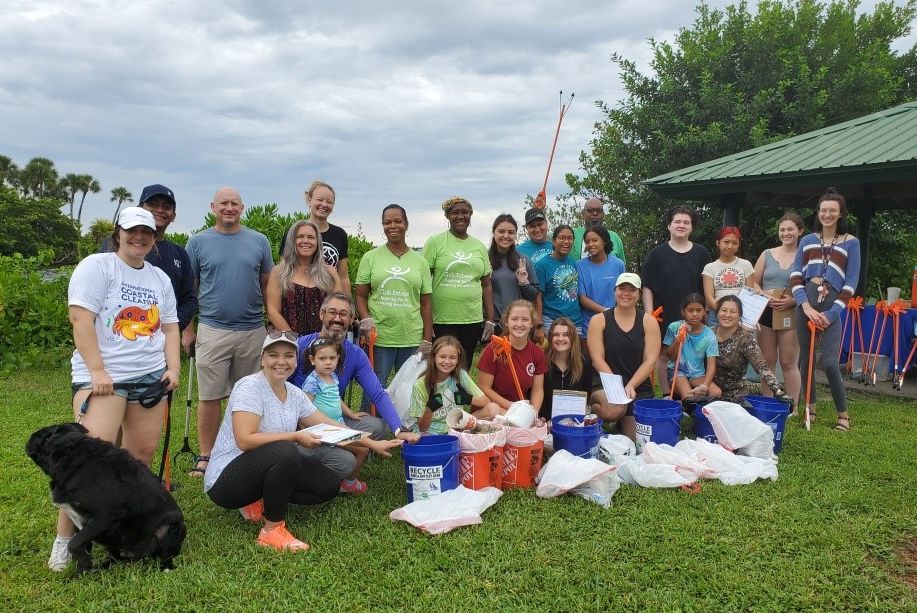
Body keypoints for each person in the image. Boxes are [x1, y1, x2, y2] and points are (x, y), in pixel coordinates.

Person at [49, 207, 181, 571]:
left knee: (139, 460)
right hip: (105, 380)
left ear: (156, 238)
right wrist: (97, 371)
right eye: (132, 231)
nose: (140, 237)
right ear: (118, 232)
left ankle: (121, 533)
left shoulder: (159, 278)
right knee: (85, 466)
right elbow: (81, 319)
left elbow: (169, 328)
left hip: (150, 378)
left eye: (147, 232)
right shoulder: (97, 266)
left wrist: (173, 368)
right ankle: (65, 542)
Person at [204, 332, 401, 552]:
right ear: (262, 359)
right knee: (286, 451)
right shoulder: (250, 387)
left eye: (288, 355)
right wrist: (295, 436)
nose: (281, 362)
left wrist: (372, 444)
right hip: (226, 481)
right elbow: (245, 440)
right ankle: (272, 531)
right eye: (273, 355)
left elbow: (330, 425)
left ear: (296, 361)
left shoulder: (295, 394)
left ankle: (259, 500)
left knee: (328, 485)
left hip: (266, 465)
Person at [183, 187, 274, 477]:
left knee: (249, 395)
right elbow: (189, 290)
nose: (229, 208)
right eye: (224, 203)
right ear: (213, 207)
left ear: (242, 207)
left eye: (235, 203)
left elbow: (267, 284)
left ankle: (241, 449)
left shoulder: (259, 241)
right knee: (209, 396)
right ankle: (206, 455)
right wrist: (188, 329)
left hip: (253, 330)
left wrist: (270, 321)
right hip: (212, 329)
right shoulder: (197, 242)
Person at [291, 293, 421, 447]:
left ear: (352, 319)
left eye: (343, 314)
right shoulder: (301, 346)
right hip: (300, 420)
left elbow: (377, 393)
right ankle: (336, 452)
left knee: (378, 427)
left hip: (334, 418)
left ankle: (341, 446)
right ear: (321, 314)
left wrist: (399, 429)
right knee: (345, 462)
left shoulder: (355, 354)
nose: (337, 319)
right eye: (332, 312)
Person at [791, 188, 861, 431]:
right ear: (818, 213)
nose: (827, 215)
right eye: (823, 210)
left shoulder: (852, 242)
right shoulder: (808, 240)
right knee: (806, 359)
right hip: (806, 302)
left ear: (841, 213)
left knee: (830, 362)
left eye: (832, 210)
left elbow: (851, 282)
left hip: (832, 304)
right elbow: (795, 276)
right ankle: (809, 408)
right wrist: (806, 306)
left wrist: (831, 314)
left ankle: (843, 415)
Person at [355, 204, 433, 390]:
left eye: (398, 221)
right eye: (387, 222)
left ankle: (402, 421)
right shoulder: (370, 257)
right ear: (382, 226)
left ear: (406, 224)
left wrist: (427, 338)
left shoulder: (420, 262)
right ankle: (372, 420)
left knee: (408, 389)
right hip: (380, 337)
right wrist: (366, 318)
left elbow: (426, 304)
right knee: (374, 388)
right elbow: (360, 296)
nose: (393, 226)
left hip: (411, 336)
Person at [100, 184, 197, 332]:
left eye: (166, 207)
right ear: (139, 208)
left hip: (160, 341)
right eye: (152, 204)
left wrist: (170, 329)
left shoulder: (179, 253)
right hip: (118, 335)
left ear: (173, 216)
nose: (159, 210)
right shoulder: (112, 245)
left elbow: (189, 300)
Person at [642, 205, 712, 393]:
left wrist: (704, 312)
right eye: (677, 221)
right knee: (664, 354)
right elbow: (647, 285)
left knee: (695, 352)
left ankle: (691, 393)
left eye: (686, 222)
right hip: (665, 312)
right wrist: (649, 314)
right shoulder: (657, 253)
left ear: (692, 227)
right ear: (669, 225)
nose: (681, 225)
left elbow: (707, 286)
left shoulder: (702, 253)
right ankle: (667, 394)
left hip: (695, 313)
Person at [587, 273, 660, 440]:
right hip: (606, 383)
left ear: (639, 294)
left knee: (637, 441)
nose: (626, 293)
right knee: (613, 409)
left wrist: (631, 385)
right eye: (622, 288)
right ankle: (593, 414)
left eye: (632, 290)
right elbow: (597, 359)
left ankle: (623, 419)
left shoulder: (649, 322)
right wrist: (616, 387)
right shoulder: (598, 320)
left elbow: (650, 360)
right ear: (615, 291)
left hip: (638, 386)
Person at [422, 196, 495, 364]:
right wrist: (426, 320)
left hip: (472, 318)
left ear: (470, 215)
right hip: (442, 318)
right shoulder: (435, 242)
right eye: (455, 212)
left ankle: (462, 392)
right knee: (444, 364)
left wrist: (490, 319)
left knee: (464, 365)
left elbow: (486, 284)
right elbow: (424, 283)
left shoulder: (479, 246)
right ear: (447, 216)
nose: (460, 216)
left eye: (465, 212)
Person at [301, 338, 373, 494]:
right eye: (322, 358)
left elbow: (336, 399)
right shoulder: (312, 382)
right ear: (312, 360)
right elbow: (303, 409)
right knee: (363, 449)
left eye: (332, 358)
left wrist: (350, 413)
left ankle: (347, 479)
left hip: (338, 426)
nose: (328, 362)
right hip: (325, 431)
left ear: (338, 358)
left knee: (362, 448)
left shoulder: (332, 376)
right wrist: (308, 431)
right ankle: (349, 483)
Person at [753, 212, 804, 413]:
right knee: (767, 360)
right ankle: (768, 401)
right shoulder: (767, 254)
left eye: (790, 229)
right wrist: (764, 295)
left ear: (800, 231)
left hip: (791, 312)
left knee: (788, 360)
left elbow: (809, 285)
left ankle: (793, 406)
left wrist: (792, 300)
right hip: (766, 310)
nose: (786, 233)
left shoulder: (805, 256)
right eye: (782, 229)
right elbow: (753, 281)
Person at [265, 220, 344, 336]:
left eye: (311, 237)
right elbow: (273, 312)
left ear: (318, 242)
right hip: (288, 343)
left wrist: (322, 341)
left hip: (324, 343)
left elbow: (338, 309)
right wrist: (295, 341)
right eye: (300, 237)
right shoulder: (278, 272)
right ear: (292, 241)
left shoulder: (330, 273)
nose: (305, 241)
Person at [409, 336, 502, 433]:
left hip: (456, 426)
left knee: (493, 408)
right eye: (442, 357)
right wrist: (429, 408)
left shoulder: (460, 375)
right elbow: (422, 428)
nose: (447, 361)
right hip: (432, 431)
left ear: (458, 360)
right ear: (434, 357)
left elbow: (486, 401)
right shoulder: (420, 385)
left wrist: (467, 398)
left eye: (452, 357)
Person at [711, 296, 791, 405]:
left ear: (740, 316)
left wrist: (779, 392)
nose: (727, 315)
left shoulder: (745, 338)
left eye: (733, 312)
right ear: (717, 312)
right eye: (724, 310)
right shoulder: (708, 333)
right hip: (709, 392)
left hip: (735, 396)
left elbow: (761, 367)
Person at [279, 180, 350, 295]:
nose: (324, 205)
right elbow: (283, 270)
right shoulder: (293, 232)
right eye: (320, 200)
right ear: (309, 199)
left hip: (330, 300)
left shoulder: (340, 234)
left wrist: (348, 306)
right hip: (296, 298)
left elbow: (343, 277)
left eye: (329, 202)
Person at [477, 299, 547, 413]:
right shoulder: (493, 349)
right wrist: (511, 406)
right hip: (492, 409)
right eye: (514, 319)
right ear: (506, 322)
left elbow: (537, 390)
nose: (519, 324)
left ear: (532, 323)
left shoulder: (537, 353)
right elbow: (484, 388)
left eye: (525, 320)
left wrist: (533, 413)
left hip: (520, 411)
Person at [487, 214, 541, 335]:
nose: (506, 236)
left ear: (515, 235)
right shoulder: (484, 259)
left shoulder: (523, 260)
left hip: (519, 325)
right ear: (494, 233)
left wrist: (524, 283)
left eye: (511, 232)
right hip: (493, 325)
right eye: (501, 231)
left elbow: (534, 295)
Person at [539, 317, 599, 421]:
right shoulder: (542, 361)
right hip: (545, 420)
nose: (560, 338)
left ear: (573, 338)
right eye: (556, 335)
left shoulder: (584, 362)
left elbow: (587, 392)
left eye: (566, 335)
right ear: (550, 338)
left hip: (574, 420)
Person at [663, 293, 720, 400]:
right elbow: (671, 357)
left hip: (697, 374)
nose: (695, 314)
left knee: (716, 393)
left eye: (699, 310)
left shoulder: (709, 334)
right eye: (690, 310)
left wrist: (705, 386)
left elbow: (711, 365)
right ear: (683, 312)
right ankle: (684, 401)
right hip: (677, 371)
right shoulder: (675, 327)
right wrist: (678, 340)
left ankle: (687, 404)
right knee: (689, 398)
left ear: (704, 312)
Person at [576, 225, 625, 336]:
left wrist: (616, 315)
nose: (591, 244)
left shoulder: (618, 264)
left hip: (615, 323)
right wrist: (606, 311)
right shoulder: (580, 265)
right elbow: (582, 298)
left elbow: (624, 293)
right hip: (588, 324)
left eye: (595, 240)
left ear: (604, 241)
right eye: (587, 242)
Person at [702, 226, 754, 325]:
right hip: (717, 314)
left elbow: (750, 293)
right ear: (718, 243)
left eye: (735, 243)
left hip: (742, 314)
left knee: (741, 340)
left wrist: (735, 313)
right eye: (726, 242)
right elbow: (709, 297)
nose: (730, 246)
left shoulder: (746, 265)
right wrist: (724, 313)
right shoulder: (710, 267)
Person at [534, 225, 581, 334]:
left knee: (575, 352)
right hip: (551, 321)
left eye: (570, 238)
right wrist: (538, 325)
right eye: (562, 238)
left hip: (575, 321)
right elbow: (537, 297)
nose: (566, 241)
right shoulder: (542, 265)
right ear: (554, 241)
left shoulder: (574, 263)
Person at [570, 198, 626, 263]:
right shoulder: (571, 235)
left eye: (599, 210)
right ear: (583, 213)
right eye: (590, 210)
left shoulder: (614, 237)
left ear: (603, 214)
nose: (595, 213)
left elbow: (622, 269)